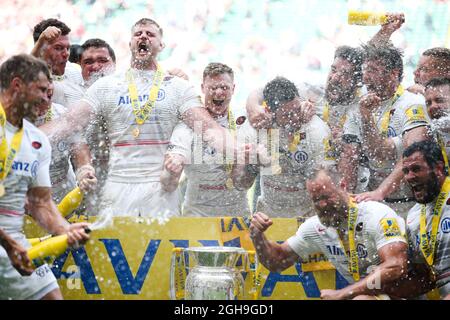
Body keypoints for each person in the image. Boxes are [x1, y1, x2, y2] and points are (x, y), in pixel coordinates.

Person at [40, 18, 237, 220]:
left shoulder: (177, 87)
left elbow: (208, 128)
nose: (143, 36)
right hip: (117, 188)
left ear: (161, 45)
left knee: (165, 251)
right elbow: (68, 122)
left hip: (160, 190)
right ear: (130, 44)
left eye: (150, 34)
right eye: (138, 34)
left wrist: (242, 151)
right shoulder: (107, 85)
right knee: (114, 251)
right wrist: (19, 140)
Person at [0, 54, 90, 300]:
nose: (46, 97)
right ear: (17, 85)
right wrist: (8, 244)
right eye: (40, 89)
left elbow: (40, 202)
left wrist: (66, 229)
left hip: (15, 245)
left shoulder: (37, 141)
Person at [249, 168, 408, 300]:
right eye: (316, 200)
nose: (322, 205)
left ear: (343, 186)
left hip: (406, 294)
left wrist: (342, 294)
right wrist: (257, 236)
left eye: (326, 196)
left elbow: (396, 266)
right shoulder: (314, 227)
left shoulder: (376, 214)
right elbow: (277, 262)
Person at [341, 43, 430, 217]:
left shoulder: (413, 103)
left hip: (411, 205)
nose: (366, 77)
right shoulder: (357, 107)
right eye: (365, 70)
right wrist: (345, 194)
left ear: (394, 73)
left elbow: (407, 156)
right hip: (373, 203)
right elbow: (349, 155)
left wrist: (381, 191)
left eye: (372, 70)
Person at [232, 77, 333, 217]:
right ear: (269, 111)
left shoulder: (316, 130)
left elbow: (326, 186)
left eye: (298, 109)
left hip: (309, 216)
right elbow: (240, 184)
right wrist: (253, 165)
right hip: (269, 215)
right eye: (287, 115)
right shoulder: (254, 129)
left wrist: (308, 171)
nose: (296, 118)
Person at [162, 62, 250, 216]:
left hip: (237, 217)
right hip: (197, 218)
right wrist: (171, 171)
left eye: (224, 87)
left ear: (233, 89)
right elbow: (168, 184)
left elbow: (248, 179)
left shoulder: (244, 119)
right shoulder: (187, 124)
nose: (218, 93)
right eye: (212, 87)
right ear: (202, 88)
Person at [384, 141, 450, 299]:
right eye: (405, 171)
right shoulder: (413, 218)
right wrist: (377, 285)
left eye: (416, 169)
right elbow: (424, 279)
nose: (409, 177)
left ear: (439, 168)